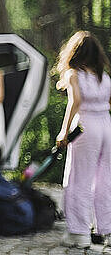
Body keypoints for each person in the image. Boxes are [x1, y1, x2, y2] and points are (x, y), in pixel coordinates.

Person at [55, 31, 111, 251]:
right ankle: (107, 229)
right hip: (107, 126)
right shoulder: (104, 77)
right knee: (105, 179)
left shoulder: (74, 74)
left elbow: (75, 101)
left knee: (79, 177)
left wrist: (64, 131)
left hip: (86, 127)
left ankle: (79, 233)